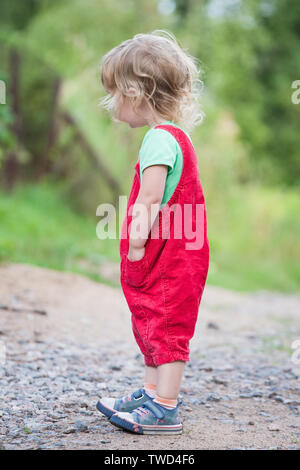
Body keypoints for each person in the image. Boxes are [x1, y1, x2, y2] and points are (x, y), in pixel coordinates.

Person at [96, 30, 209, 435]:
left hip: (169, 255)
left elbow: (148, 199)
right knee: (152, 320)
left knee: (166, 323)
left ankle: (165, 406)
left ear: (137, 93)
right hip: (179, 250)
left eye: (115, 93)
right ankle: (151, 392)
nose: (111, 103)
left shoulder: (159, 140)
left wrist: (138, 243)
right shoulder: (173, 136)